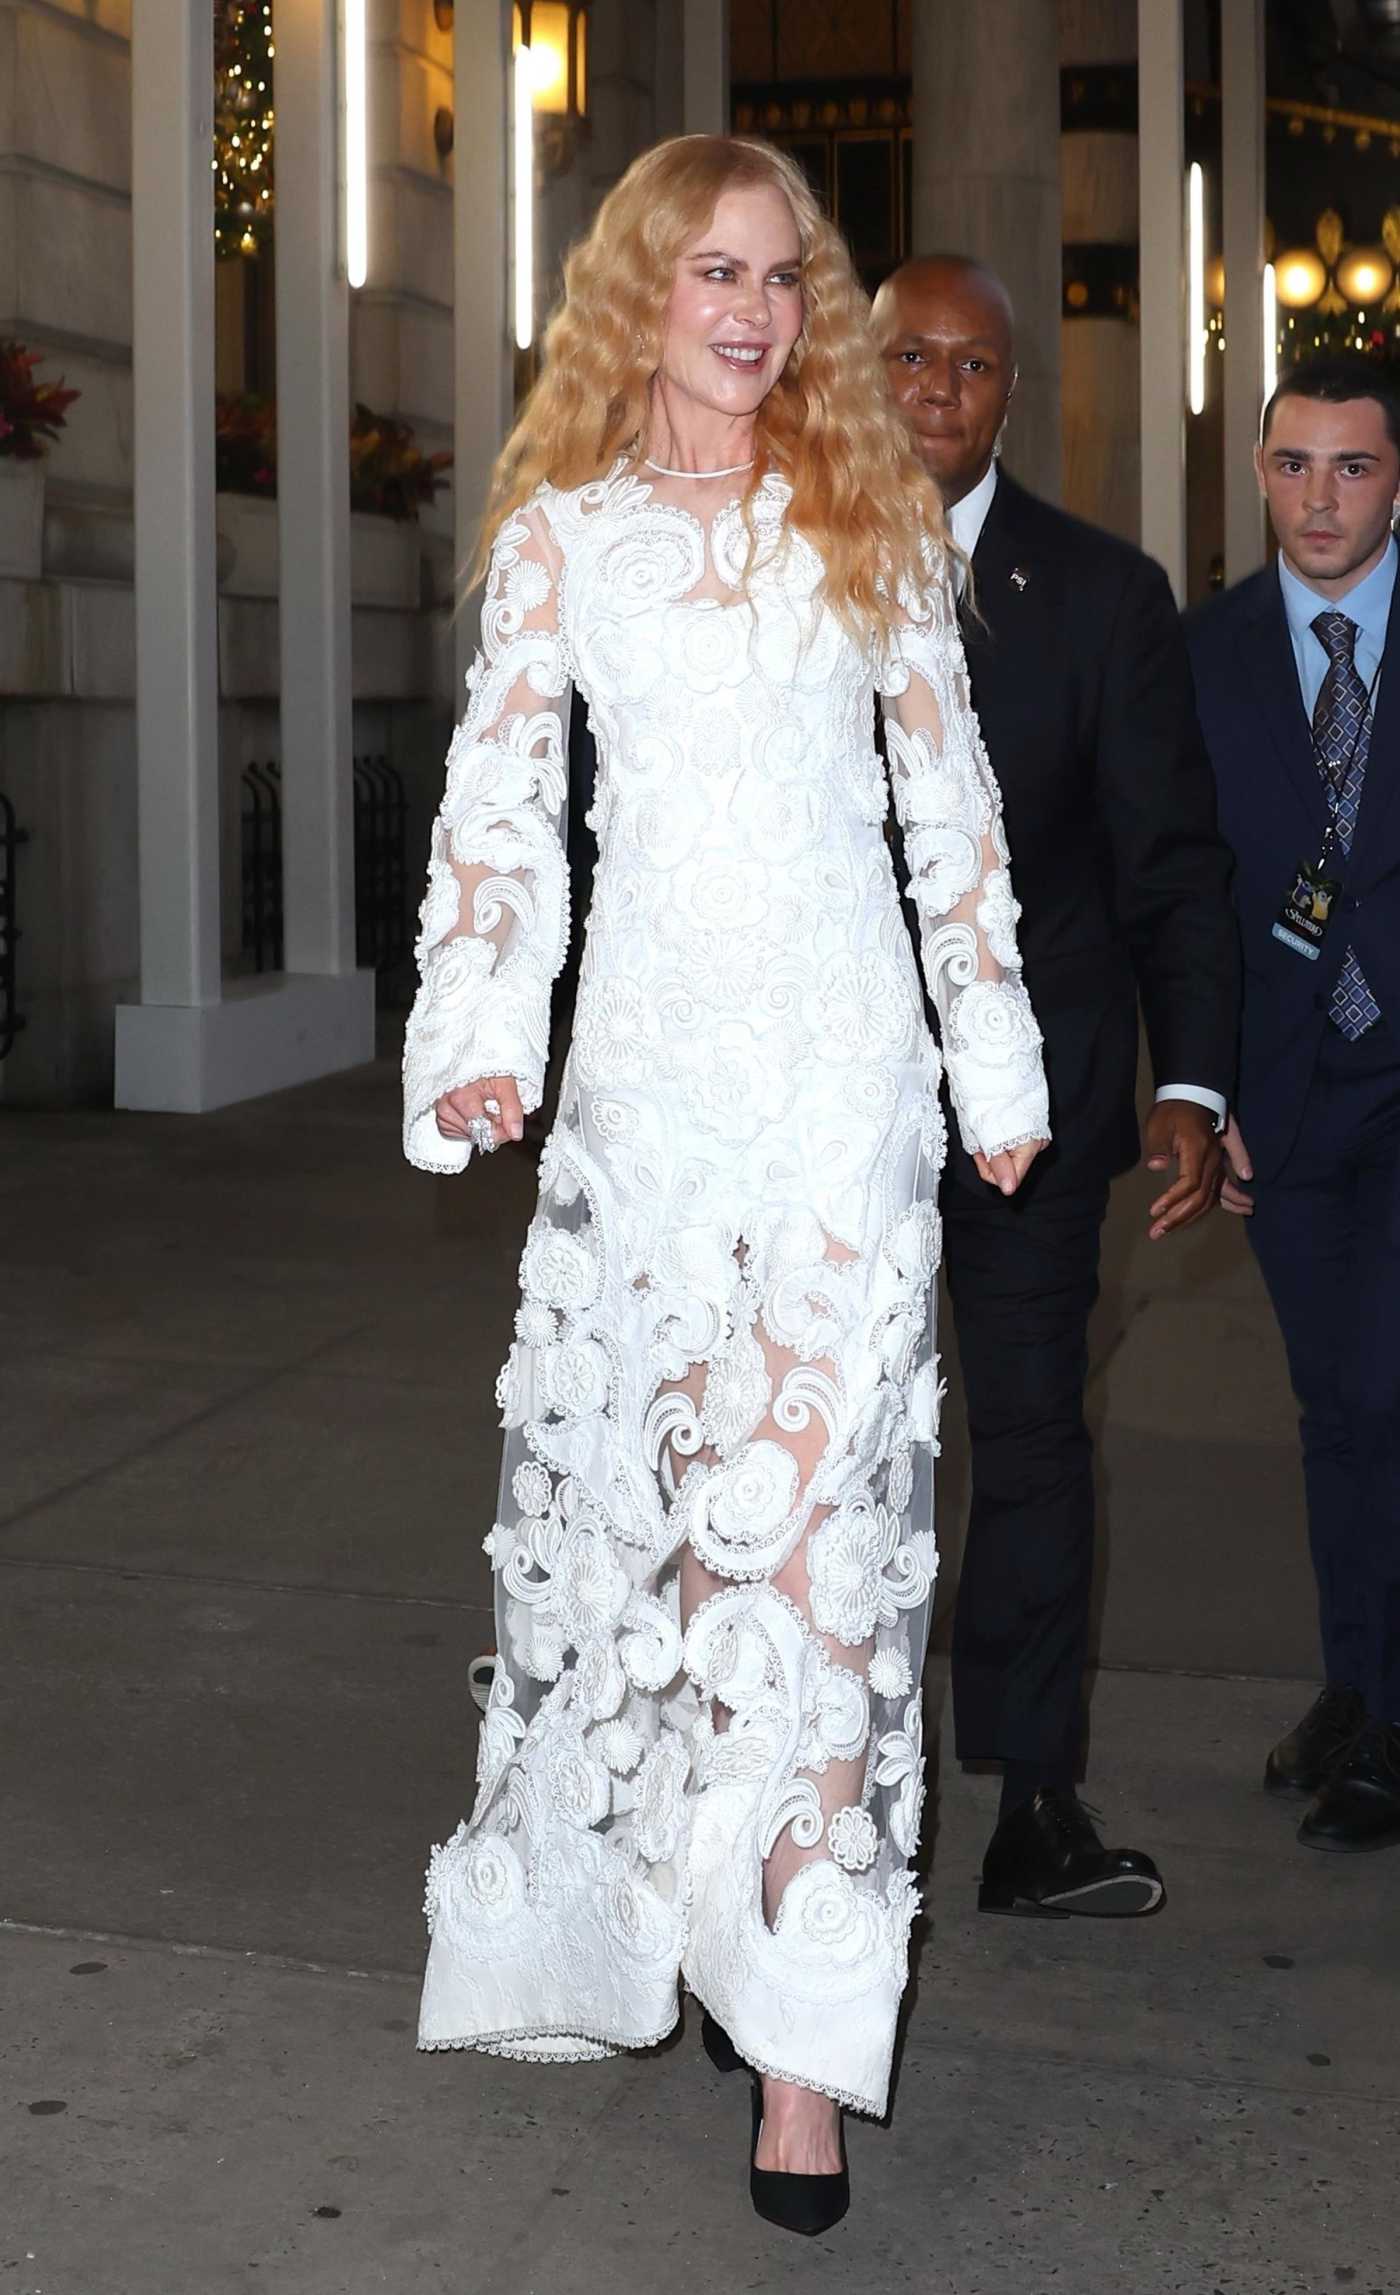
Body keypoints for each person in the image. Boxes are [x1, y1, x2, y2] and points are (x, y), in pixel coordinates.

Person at [401, 139, 1048, 2236]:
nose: (755, 309)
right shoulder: (562, 543)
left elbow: (947, 804)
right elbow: (504, 803)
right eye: (712, 272)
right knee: (668, 1568)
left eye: (782, 274)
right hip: (649, 1096)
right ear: (637, 298)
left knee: (822, 1566)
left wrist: (992, 1057)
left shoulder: (869, 522)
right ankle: (681, 1907)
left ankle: (800, 2050)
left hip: (842, 1092)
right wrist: (476, 1031)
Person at [871, 257, 1240, 1919]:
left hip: (1040, 1105)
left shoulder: (1103, 594)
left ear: (1013, 393)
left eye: (972, 363)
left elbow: (1171, 865)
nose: (940, 387)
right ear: (861, 372)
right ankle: (825, 1814)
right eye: (909, 356)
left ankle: (1035, 1804)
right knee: (835, 1463)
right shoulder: (782, 568)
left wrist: (1197, 1084)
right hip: (826, 1110)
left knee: (1028, 1443)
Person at [1187, 355, 1400, 1854]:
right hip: (1286, 1102)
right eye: (1293, 466)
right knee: (1338, 1413)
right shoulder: (1203, 656)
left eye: (1354, 468)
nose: (1320, 499)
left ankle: (1391, 1718)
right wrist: (1210, 1095)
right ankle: (1356, 1682)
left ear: (1398, 480)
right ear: (1258, 471)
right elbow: (1185, 896)